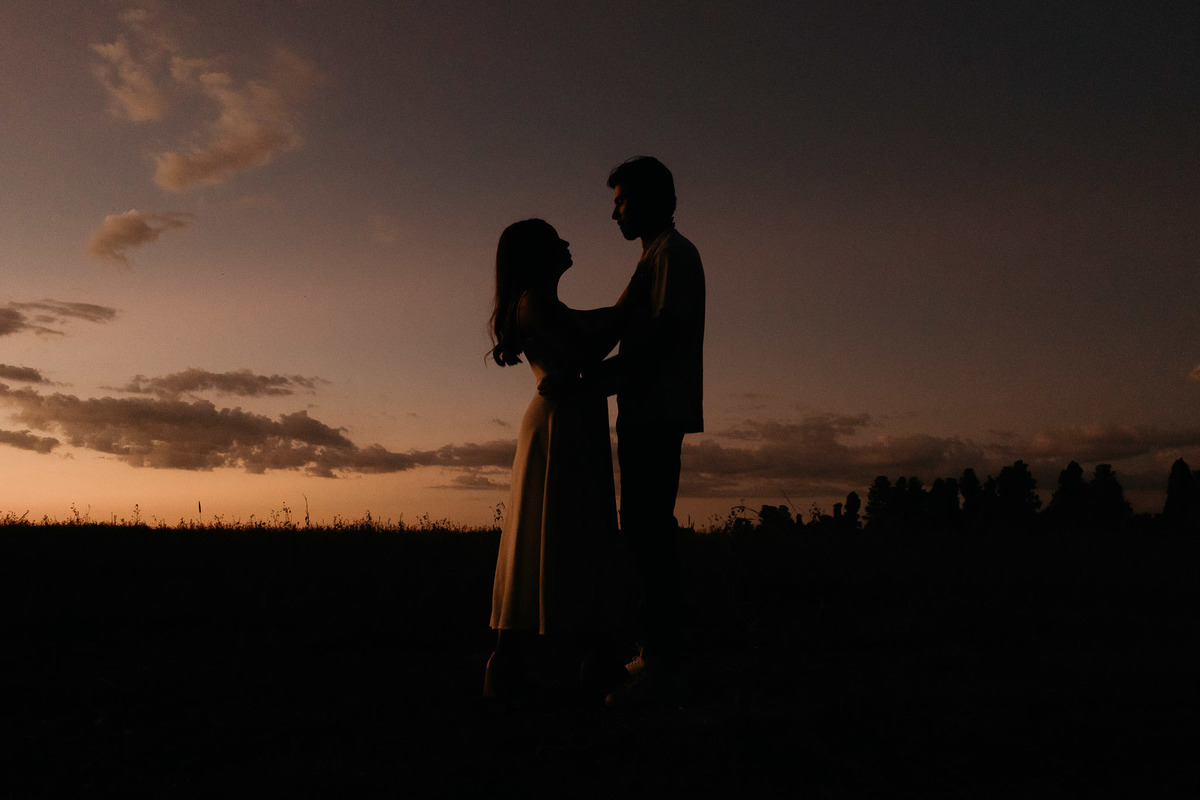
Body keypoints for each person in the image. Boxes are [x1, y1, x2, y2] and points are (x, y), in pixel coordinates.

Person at [484, 218, 627, 704]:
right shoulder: (534, 304)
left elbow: (599, 325)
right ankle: (527, 667)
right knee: (564, 532)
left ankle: (567, 663)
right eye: (554, 239)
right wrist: (637, 295)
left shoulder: (542, 304)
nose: (566, 242)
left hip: (570, 419)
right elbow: (592, 343)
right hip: (560, 425)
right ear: (536, 255)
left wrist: (629, 305)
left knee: (565, 534)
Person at [597, 156, 705, 707]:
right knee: (643, 531)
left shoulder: (672, 255)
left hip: (656, 411)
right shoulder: (657, 255)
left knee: (647, 534)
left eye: (621, 200)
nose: (614, 212)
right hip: (647, 409)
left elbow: (663, 334)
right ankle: (657, 656)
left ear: (651, 199)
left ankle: (664, 666)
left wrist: (599, 380)